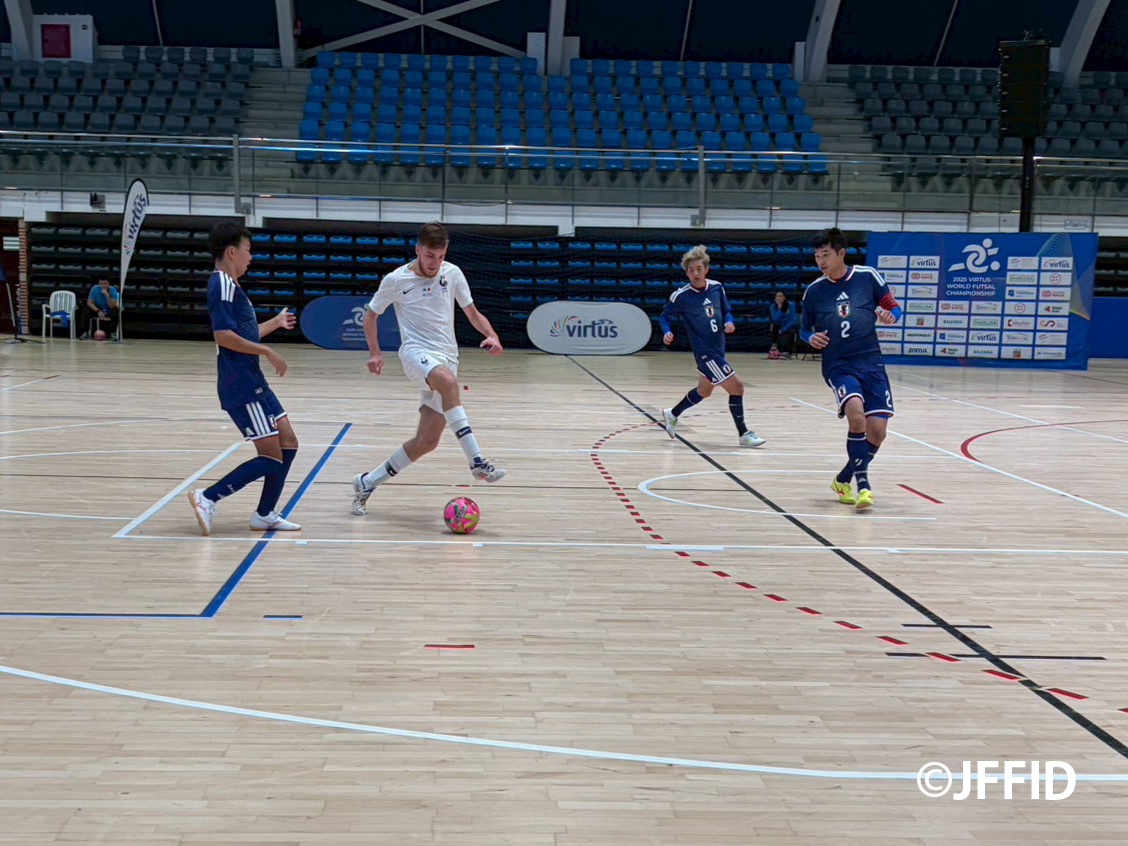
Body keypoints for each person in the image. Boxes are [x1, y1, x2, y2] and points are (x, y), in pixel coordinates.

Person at [350, 222, 506, 517]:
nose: (435, 263)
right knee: (448, 384)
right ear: (418, 250)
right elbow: (370, 317)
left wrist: (492, 335)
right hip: (415, 353)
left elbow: (471, 312)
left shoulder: (453, 273)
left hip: (448, 356)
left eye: (440, 256)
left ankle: (366, 482)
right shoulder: (396, 280)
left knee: (426, 442)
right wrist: (374, 353)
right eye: (430, 256)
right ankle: (477, 461)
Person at [187, 221, 300, 535]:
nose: (251, 257)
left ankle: (265, 513)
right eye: (248, 251)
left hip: (254, 380)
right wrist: (266, 351)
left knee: (288, 442)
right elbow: (223, 336)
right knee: (271, 456)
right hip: (241, 384)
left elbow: (243, 334)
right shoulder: (221, 283)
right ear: (232, 251)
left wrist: (274, 324)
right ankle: (207, 497)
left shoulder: (233, 287)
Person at [800, 228, 902, 511]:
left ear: (841, 253)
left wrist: (889, 316)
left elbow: (894, 309)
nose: (821, 261)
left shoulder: (867, 276)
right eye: (817, 256)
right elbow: (803, 329)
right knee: (856, 417)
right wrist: (810, 338)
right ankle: (864, 487)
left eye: (826, 255)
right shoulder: (815, 291)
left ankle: (842, 479)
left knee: (877, 432)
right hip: (839, 365)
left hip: (871, 363)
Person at [659, 245, 766, 447]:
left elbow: (727, 310)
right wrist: (667, 331)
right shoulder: (681, 296)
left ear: (706, 269)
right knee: (737, 388)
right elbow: (664, 317)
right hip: (705, 353)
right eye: (691, 270)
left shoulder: (717, 287)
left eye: (699, 269)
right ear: (686, 273)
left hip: (719, 349)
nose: (695, 273)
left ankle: (672, 413)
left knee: (704, 391)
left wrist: (730, 321)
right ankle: (744, 434)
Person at [769, 291, 797, 358]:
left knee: (791, 331)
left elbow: (792, 320)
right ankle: (774, 347)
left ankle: (788, 352)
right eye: (777, 296)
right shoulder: (773, 306)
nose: (778, 298)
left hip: (789, 325)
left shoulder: (790, 305)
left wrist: (783, 329)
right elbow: (775, 319)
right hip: (779, 325)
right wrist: (779, 308)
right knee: (774, 326)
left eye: (780, 296)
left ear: (784, 297)